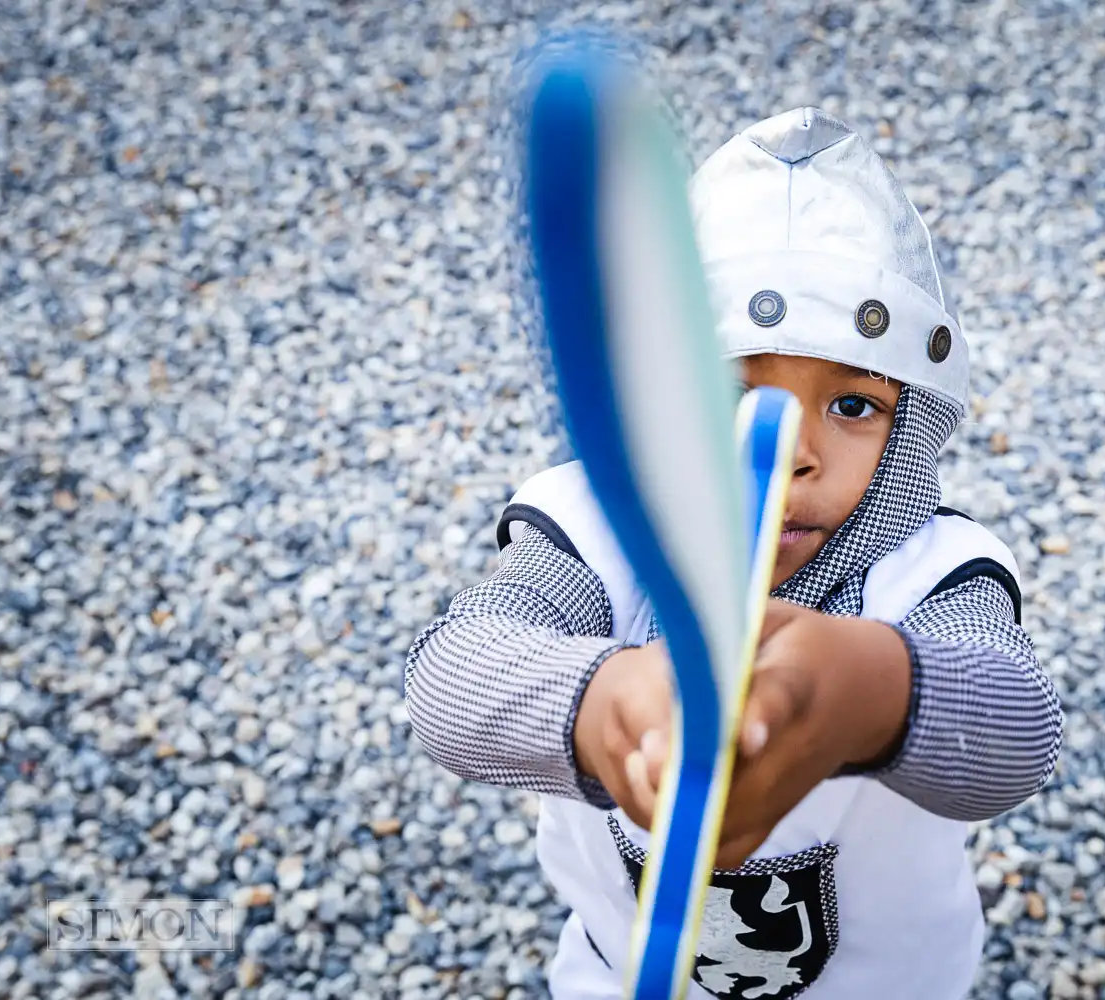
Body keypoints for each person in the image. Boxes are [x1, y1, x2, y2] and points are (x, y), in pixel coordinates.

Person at [405, 107, 1064, 1000]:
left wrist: (863, 688)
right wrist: (606, 705)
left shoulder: (931, 576)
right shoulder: (593, 533)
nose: (790, 451)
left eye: (854, 406)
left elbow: (1018, 734)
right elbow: (452, 676)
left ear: (911, 427)